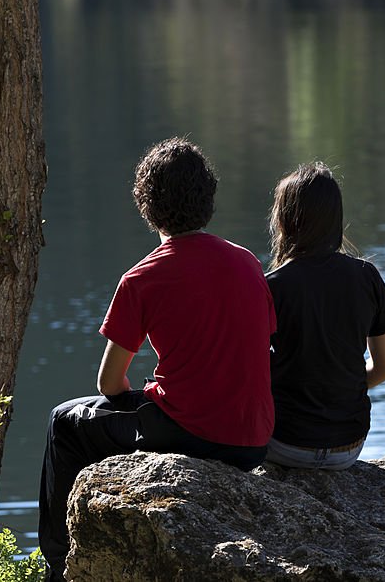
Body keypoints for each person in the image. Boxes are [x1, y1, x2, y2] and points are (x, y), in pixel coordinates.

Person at [38, 138, 275, 580]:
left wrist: (144, 401)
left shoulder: (143, 277)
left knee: (64, 422)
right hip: (253, 441)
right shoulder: (247, 263)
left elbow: (110, 384)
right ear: (208, 199)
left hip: (190, 434)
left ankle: (58, 568)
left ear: (147, 206)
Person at [264, 162, 385, 470]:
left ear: (284, 221)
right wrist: (342, 385)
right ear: (336, 219)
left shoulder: (272, 287)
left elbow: (248, 375)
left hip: (283, 444)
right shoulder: (367, 277)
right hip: (348, 447)